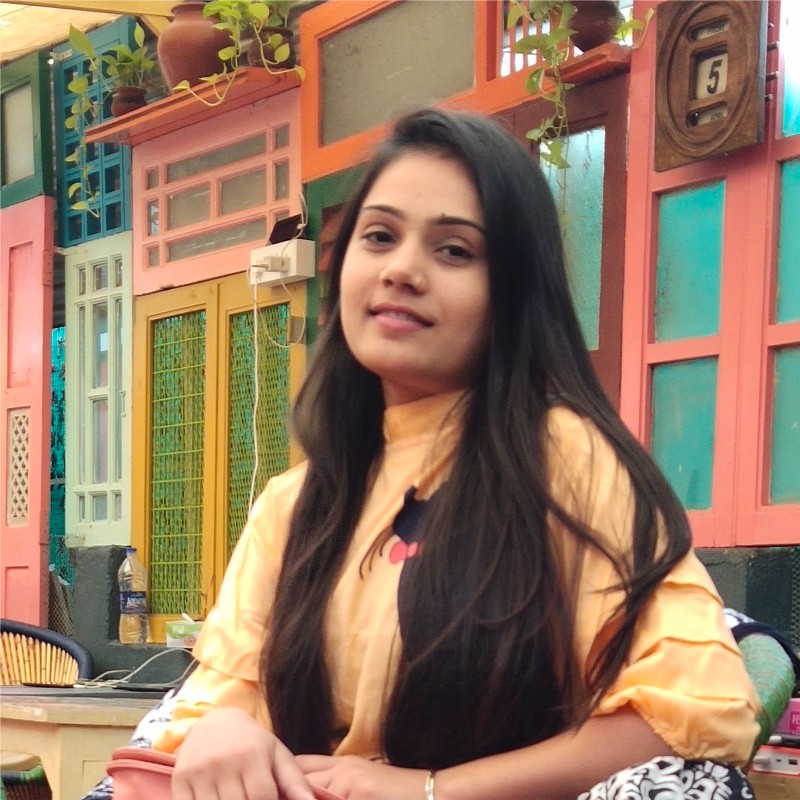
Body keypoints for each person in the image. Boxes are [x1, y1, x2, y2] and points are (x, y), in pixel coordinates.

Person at [151, 108, 760, 800]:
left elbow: (695, 716)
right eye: (379, 237)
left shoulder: (566, 461)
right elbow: (217, 700)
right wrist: (220, 730)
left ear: (513, 294)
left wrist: (427, 790)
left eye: (454, 251)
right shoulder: (294, 505)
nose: (401, 270)